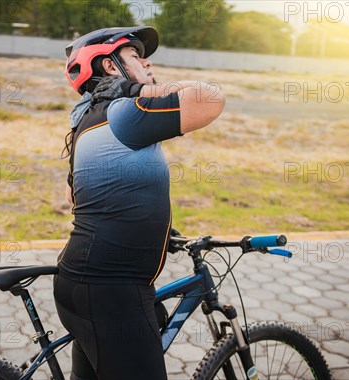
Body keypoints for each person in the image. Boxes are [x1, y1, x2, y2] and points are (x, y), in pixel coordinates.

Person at [53, 26, 225, 380]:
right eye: (135, 56)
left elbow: (89, 199)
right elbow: (210, 98)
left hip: (90, 285)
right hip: (110, 291)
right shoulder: (123, 113)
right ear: (111, 68)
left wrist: (164, 233)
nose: (146, 61)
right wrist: (138, 89)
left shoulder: (89, 120)